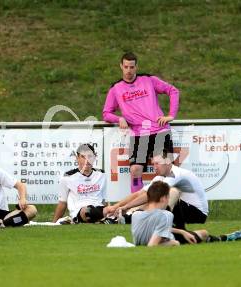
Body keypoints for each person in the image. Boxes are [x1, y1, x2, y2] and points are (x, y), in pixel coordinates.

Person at [103, 52, 180, 194]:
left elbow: (173, 91)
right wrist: (119, 118)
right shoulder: (116, 88)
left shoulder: (148, 79)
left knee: (165, 169)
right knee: (135, 170)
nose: (128, 70)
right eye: (125, 67)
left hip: (159, 131)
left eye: (131, 67)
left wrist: (171, 115)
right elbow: (106, 113)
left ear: (136, 67)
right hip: (138, 134)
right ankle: (137, 208)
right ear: (121, 66)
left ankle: (166, 209)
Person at [106, 149, 208, 229]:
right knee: (149, 195)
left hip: (198, 215)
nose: (154, 167)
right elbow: (139, 194)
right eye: (153, 164)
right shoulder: (159, 177)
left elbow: (151, 196)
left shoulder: (176, 174)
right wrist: (116, 206)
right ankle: (119, 217)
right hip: (180, 210)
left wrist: (126, 207)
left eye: (157, 163)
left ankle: (129, 218)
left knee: (165, 193)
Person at [131, 181, 241, 246]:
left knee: (197, 233)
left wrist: (181, 231)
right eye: (168, 197)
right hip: (164, 239)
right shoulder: (165, 215)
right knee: (204, 233)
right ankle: (223, 238)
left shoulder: (136, 215)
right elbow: (152, 244)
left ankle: (222, 238)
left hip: (161, 234)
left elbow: (155, 227)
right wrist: (173, 243)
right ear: (163, 198)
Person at [52, 143, 109, 224]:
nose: (87, 160)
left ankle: (106, 219)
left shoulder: (102, 174)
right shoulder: (68, 177)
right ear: (77, 158)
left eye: (90, 156)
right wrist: (54, 223)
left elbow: (104, 200)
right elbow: (62, 202)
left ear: (94, 157)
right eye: (83, 157)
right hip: (80, 211)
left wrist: (110, 211)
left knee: (118, 211)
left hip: (99, 208)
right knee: (88, 211)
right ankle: (101, 220)